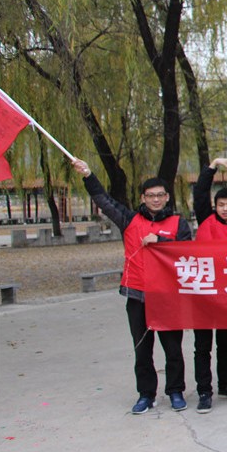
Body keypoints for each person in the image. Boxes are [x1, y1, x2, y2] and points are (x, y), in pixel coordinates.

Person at [71, 158, 192, 414]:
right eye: (151, 196)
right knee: (142, 350)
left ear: (167, 197)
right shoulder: (129, 220)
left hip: (167, 297)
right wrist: (88, 175)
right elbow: (105, 202)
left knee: (173, 349)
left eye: (160, 195)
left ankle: (175, 391)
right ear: (143, 198)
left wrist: (159, 241)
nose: (156, 199)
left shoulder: (178, 223)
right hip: (138, 295)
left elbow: (187, 252)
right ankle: (146, 394)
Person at [191, 157, 227, 413]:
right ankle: (204, 391)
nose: (225, 209)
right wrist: (212, 166)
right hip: (203, 292)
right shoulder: (207, 221)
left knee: (225, 342)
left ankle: (226, 383)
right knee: (202, 346)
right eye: (221, 205)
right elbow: (200, 192)